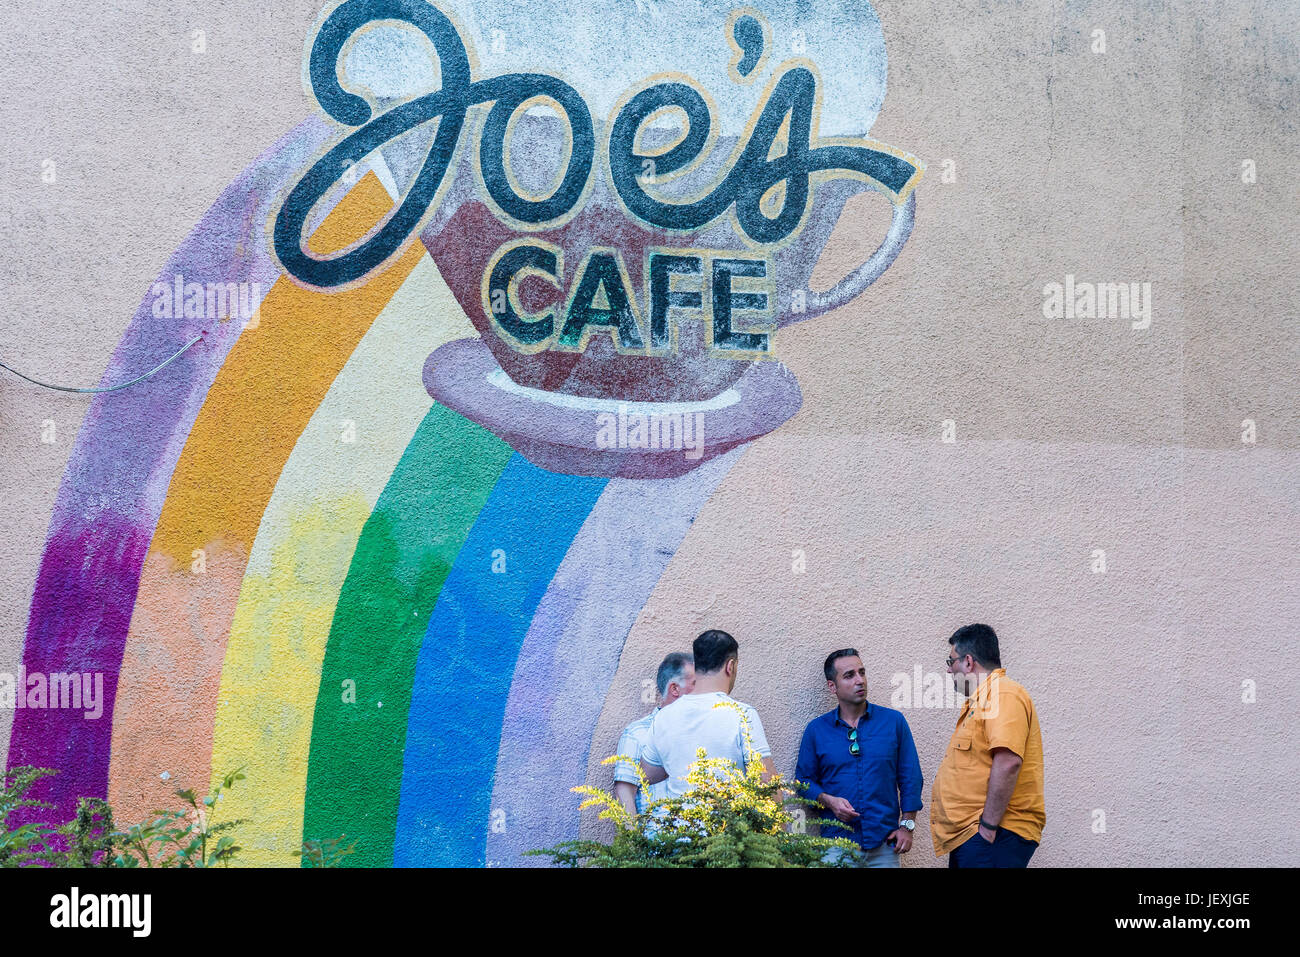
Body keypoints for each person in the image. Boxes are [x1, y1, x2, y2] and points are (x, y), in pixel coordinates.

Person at [795, 648, 924, 867]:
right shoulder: (816, 730)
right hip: (837, 845)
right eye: (849, 675)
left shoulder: (893, 722)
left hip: (884, 846)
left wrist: (907, 826)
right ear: (832, 686)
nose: (860, 680)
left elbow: (910, 777)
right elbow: (803, 781)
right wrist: (829, 800)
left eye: (861, 672)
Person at [931, 623, 1045, 867]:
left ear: (968, 662)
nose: (949, 671)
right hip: (976, 835)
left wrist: (988, 828)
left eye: (951, 662)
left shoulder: (1002, 694)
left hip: (993, 834)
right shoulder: (982, 700)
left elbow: (1008, 762)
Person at [640, 629, 774, 795]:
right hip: (730, 820)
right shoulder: (743, 715)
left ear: (697, 665)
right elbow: (767, 784)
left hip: (678, 820)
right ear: (730, 666)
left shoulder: (664, 716)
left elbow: (646, 774)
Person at [612, 652, 695, 816]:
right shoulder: (638, 733)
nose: (704, 692)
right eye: (696, 684)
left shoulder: (703, 730)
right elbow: (624, 793)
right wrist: (633, 840)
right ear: (675, 689)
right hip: (656, 839)